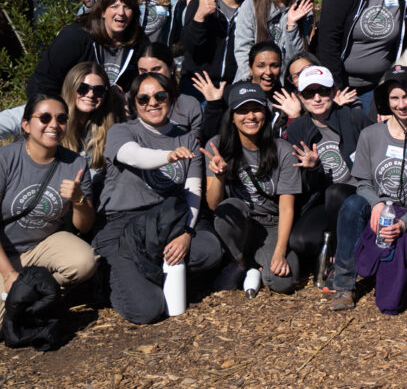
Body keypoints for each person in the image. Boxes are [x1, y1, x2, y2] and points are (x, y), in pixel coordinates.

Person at [94, 72, 224, 324]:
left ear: (172, 99)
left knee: (209, 249)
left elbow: (193, 191)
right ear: (133, 104)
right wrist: (167, 156)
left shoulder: (186, 139)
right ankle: (112, 275)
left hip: (164, 222)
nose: (152, 103)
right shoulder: (122, 131)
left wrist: (186, 232)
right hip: (122, 224)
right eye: (143, 99)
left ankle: (146, 270)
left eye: (160, 96)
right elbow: (133, 156)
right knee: (148, 310)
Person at [329, 66, 407, 310]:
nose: (401, 104)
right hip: (376, 206)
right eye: (395, 98)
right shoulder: (370, 135)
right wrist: (376, 203)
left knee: (390, 302)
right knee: (350, 206)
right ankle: (344, 285)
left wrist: (404, 223)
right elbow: (363, 183)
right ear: (386, 101)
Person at [202, 83, 310, 296]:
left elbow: (287, 208)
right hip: (239, 223)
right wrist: (219, 176)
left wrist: (279, 252)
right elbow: (214, 205)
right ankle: (240, 261)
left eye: (256, 109)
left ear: (266, 113)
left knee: (283, 282)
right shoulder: (216, 146)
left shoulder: (284, 150)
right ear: (231, 116)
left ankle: (256, 265)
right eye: (242, 110)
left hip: (271, 225)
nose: (250, 116)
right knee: (228, 208)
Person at [0, 94, 98, 320]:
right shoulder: (6, 159)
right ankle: (32, 296)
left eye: (61, 118)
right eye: (44, 117)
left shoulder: (75, 163)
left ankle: (40, 293)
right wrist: (8, 274)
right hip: (4, 254)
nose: (53, 124)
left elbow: (84, 225)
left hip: (39, 247)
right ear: (26, 125)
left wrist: (78, 199)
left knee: (84, 261)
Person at [283, 65, 369, 272]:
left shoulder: (353, 118)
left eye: (323, 91)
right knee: (300, 242)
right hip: (321, 200)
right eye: (309, 93)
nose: (317, 98)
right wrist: (313, 169)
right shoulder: (297, 129)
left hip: (358, 194)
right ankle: (331, 242)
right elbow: (304, 185)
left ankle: (342, 258)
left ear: (333, 92)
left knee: (336, 191)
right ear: (301, 97)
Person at [27, 0, 146, 98]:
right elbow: (43, 81)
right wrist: (54, 111)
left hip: (107, 112)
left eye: (127, 7)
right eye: (114, 7)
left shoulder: (139, 43)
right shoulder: (75, 37)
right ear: (103, 12)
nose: (121, 13)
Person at [181, 0, 261, 89]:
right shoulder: (201, 0)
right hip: (197, 85)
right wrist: (199, 18)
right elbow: (189, 45)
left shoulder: (252, 6)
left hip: (233, 87)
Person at [233, 0, 313, 82]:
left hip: (286, 85)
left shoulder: (304, 10)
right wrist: (253, 81)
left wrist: (291, 26)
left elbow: (297, 59)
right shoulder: (250, 5)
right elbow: (243, 49)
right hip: (252, 81)